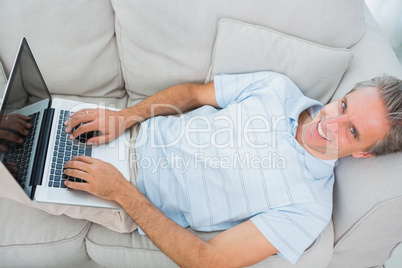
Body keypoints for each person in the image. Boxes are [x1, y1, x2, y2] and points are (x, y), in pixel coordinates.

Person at [8, 71, 402, 266]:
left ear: (364, 154)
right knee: (25, 121)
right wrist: (125, 117)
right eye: (344, 106)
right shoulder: (277, 89)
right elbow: (195, 93)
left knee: (12, 172)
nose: (328, 123)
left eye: (350, 131)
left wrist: (120, 192)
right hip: (122, 130)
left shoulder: (307, 210)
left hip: (126, 191)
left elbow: (206, 260)